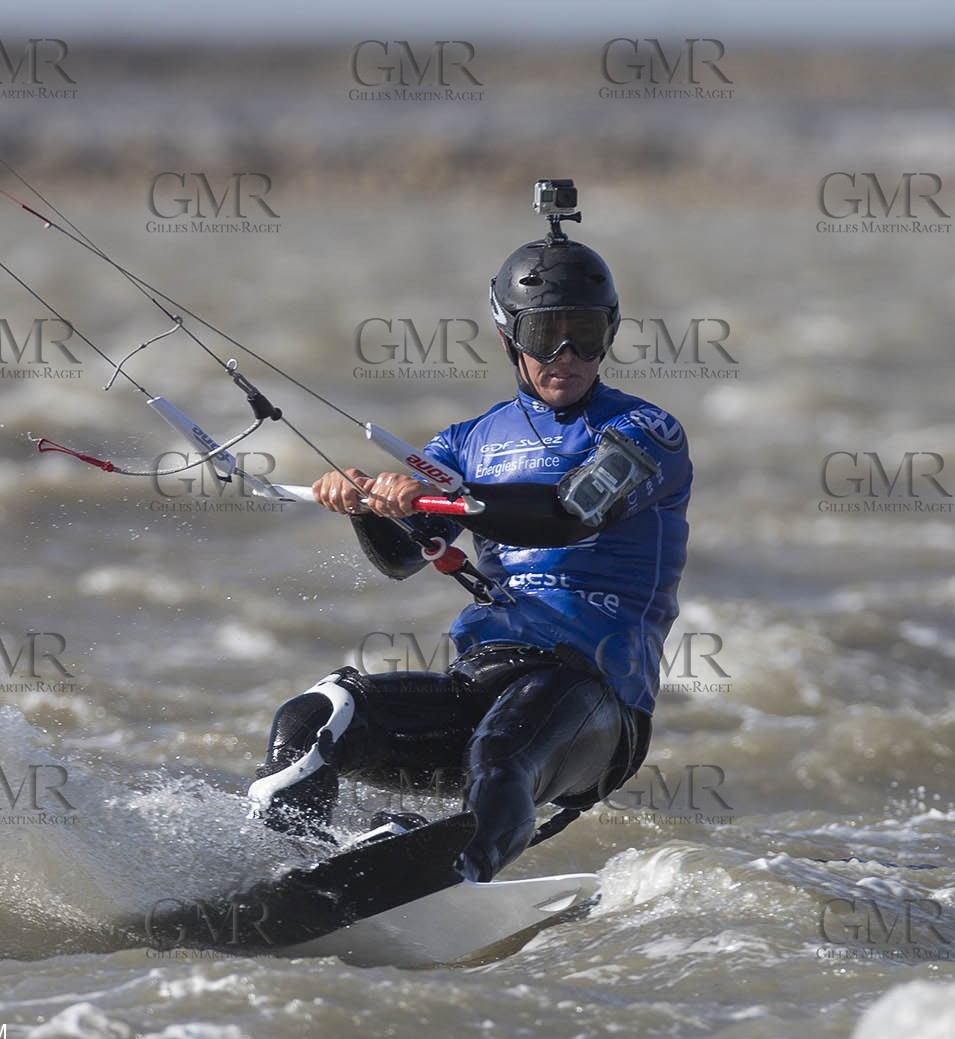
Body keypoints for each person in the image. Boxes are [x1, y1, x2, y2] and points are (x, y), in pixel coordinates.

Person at [247, 202, 692, 883]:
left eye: (587, 334)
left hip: (593, 696)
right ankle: (288, 874)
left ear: (610, 334)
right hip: (484, 680)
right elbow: (405, 552)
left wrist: (453, 499)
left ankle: (456, 877)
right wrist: (368, 505)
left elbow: (568, 514)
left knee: (502, 755)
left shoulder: (646, 431)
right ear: (509, 336)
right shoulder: (465, 442)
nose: (567, 355)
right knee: (316, 716)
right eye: (547, 333)